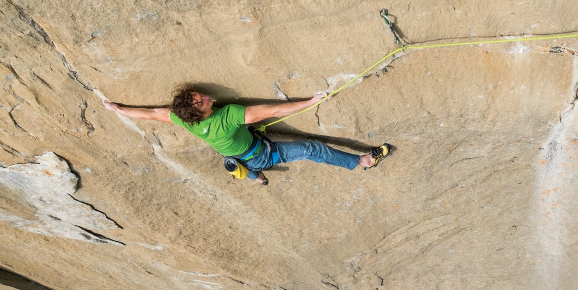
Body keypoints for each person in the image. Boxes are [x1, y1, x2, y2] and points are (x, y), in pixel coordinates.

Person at [104, 86, 390, 185]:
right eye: (201, 100)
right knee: (312, 149)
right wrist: (310, 102)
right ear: (200, 112)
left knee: (248, 169)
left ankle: (256, 177)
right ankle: (362, 161)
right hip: (261, 153)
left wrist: (118, 108)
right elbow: (272, 111)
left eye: (198, 95)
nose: (205, 96)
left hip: (237, 155)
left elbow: (151, 113)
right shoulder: (228, 117)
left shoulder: (184, 119)